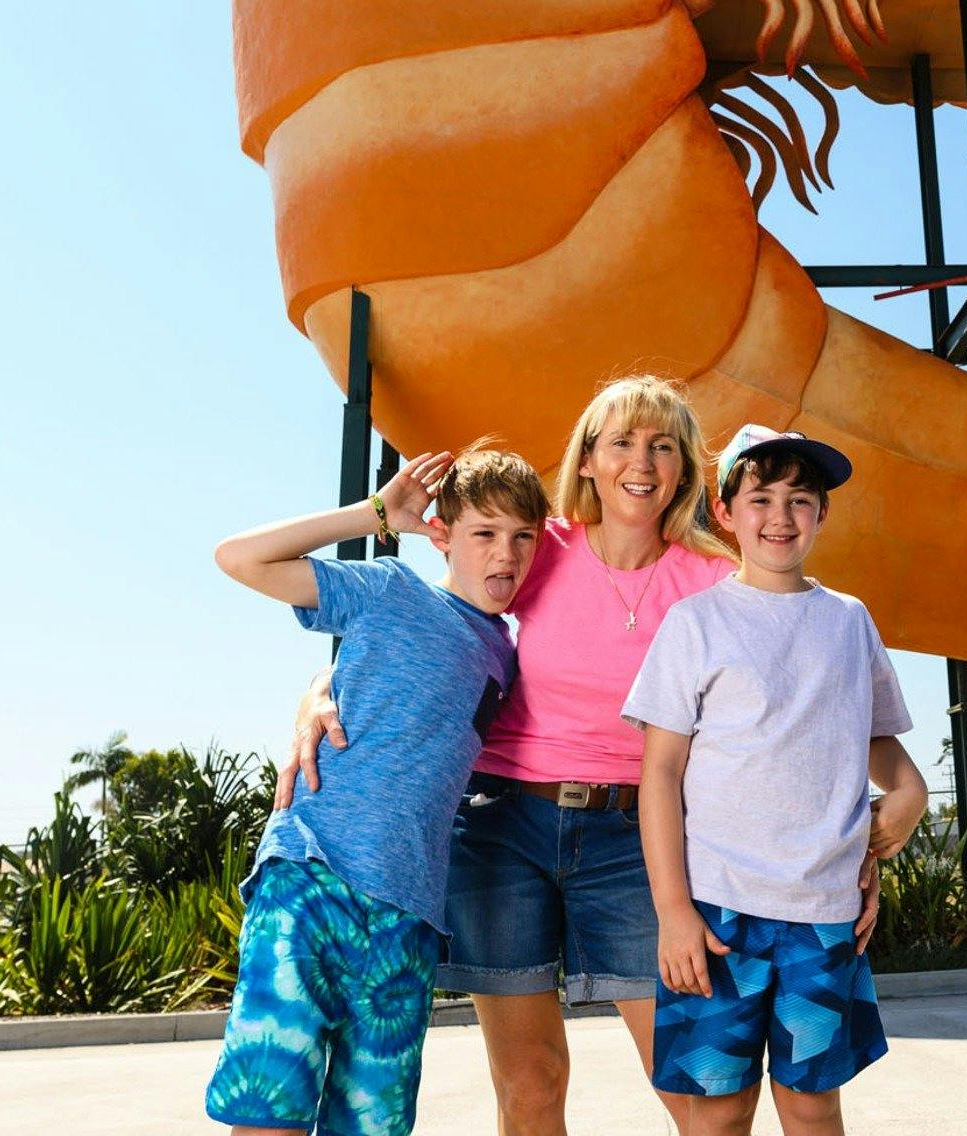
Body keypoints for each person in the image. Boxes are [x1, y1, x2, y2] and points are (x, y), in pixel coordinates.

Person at [278, 378, 872, 1135]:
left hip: (635, 841)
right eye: (621, 441)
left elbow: (792, 721)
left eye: (662, 445)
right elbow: (433, 621)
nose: (642, 461)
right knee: (531, 1082)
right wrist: (323, 685)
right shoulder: (538, 545)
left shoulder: (715, 582)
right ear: (587, 460)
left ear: (687, 468)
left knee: (693, 1091)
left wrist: (855, 843)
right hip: (502, 833)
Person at [205, 445, 546, 1136]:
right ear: (444, 535)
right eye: (483, 533)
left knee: (371, 1126)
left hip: (409, 915)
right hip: (313, 878)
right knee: (268, 1114)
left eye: (521, 537)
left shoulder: (510, 657)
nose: (503, 554)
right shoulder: (390, 588)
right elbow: (239, 558)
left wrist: (318, 686)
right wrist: (374, 513)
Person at [627, 425, 930, 1136]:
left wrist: (910, 791)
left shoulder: (849, 621)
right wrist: (674, 912)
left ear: (822, 514)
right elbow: (660, 774)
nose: (781, 516)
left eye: (801, 499)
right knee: (721, 1108)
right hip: (715, 913)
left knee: (811, 1104)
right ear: (727, 513)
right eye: (760, 498)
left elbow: (874, 738)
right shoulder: (694, 623)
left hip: (824, 912)